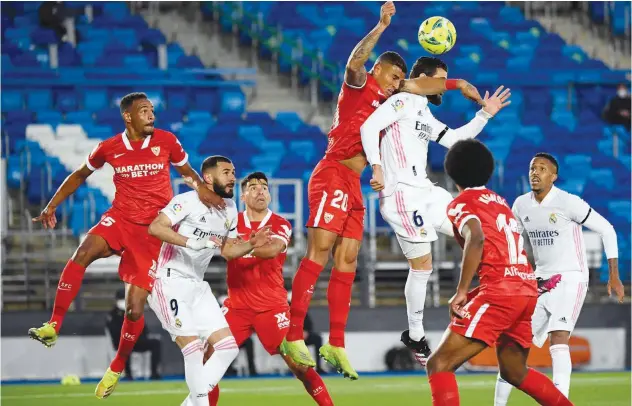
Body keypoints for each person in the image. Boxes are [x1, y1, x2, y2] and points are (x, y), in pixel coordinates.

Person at [284, 1, 486, 379]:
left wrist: (459, 86)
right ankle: (293, 334)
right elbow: (353, 62)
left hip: (355, 184)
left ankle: (336, 343)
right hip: (332, 173)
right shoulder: (360, 84)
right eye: (392, 76)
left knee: (347, 261)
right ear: (378, 69)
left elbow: (424, 85)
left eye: (399, 80)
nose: (395, 84)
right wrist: (380, 26)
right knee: (321, 251)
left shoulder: (395, 96)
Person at [27, 92, 224, 399]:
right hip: (120, 219)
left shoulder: (167, 141)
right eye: (144, 111)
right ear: (128, 116)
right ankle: (53, 323)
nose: (151, 115)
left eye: (152, 111)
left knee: (133, 309)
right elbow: (80, 175)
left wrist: (206, 194)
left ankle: (116, 366)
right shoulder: (109, 148)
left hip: (153, 231)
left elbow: (189, 174)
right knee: (83, 252)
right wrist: (52, 206)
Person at [360, 56, 511, 365]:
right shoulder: (402, 100)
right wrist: (377, 167)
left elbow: (455, 139)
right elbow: (369, 126)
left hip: (427, 191)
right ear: (423, 78)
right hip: (401, 194)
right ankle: (415, 335)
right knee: (423, 266)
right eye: (440, 79)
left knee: (474, 230)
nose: (443, 85)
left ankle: (505, 286)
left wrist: (485, 113)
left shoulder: (422, 112)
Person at [426, 139, 573, 406]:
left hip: (501, 292)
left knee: (439, 364)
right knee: (514, 371)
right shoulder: (499, 201)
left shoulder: (461, 203)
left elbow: (477, 238)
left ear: (452, 173)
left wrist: (461, 292)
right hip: (526, 289)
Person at [493, 152, 625, 405]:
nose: (535, 172)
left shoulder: (568, 202)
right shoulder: (521, 204)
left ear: (553, 177)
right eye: (533, 167)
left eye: (542, 168)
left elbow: (607, 229)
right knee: (513, 343)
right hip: (539, 279)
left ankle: (559, 400)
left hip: (571, 277)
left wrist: (614, 276)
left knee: (559, 335)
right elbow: (515, 241)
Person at [147, 156, 271, 406]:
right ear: (208, 178)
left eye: (234, 171)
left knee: (227, 348)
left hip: (197, 286)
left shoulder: (229, 209)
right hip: (170, 281)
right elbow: (156, 227)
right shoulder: (186, 202)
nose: (233, 177)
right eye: (226, 172)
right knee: (192, 350)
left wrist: (250, 244)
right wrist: (192, 242)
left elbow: (228, 251)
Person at [205, 172, 333, 406]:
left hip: (271, 308)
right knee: (207, 363)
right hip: (237, 308)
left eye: (264, 187)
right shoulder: (230, 221)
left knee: (300, 367)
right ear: (242, 196)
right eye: (253, 187)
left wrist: (243, 247)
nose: (260, 191)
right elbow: (225, 251)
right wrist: (250, 244)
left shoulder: (280, 223)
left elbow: (272, 249)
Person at [106, 289, 162, 380]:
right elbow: (114, 332)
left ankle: (154, 374)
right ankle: (129, 375)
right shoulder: (113, 314)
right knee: (125, 346)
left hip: (138, 341)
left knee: (156, 343)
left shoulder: (134, 310)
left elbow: (143, 327)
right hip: (123, 342)